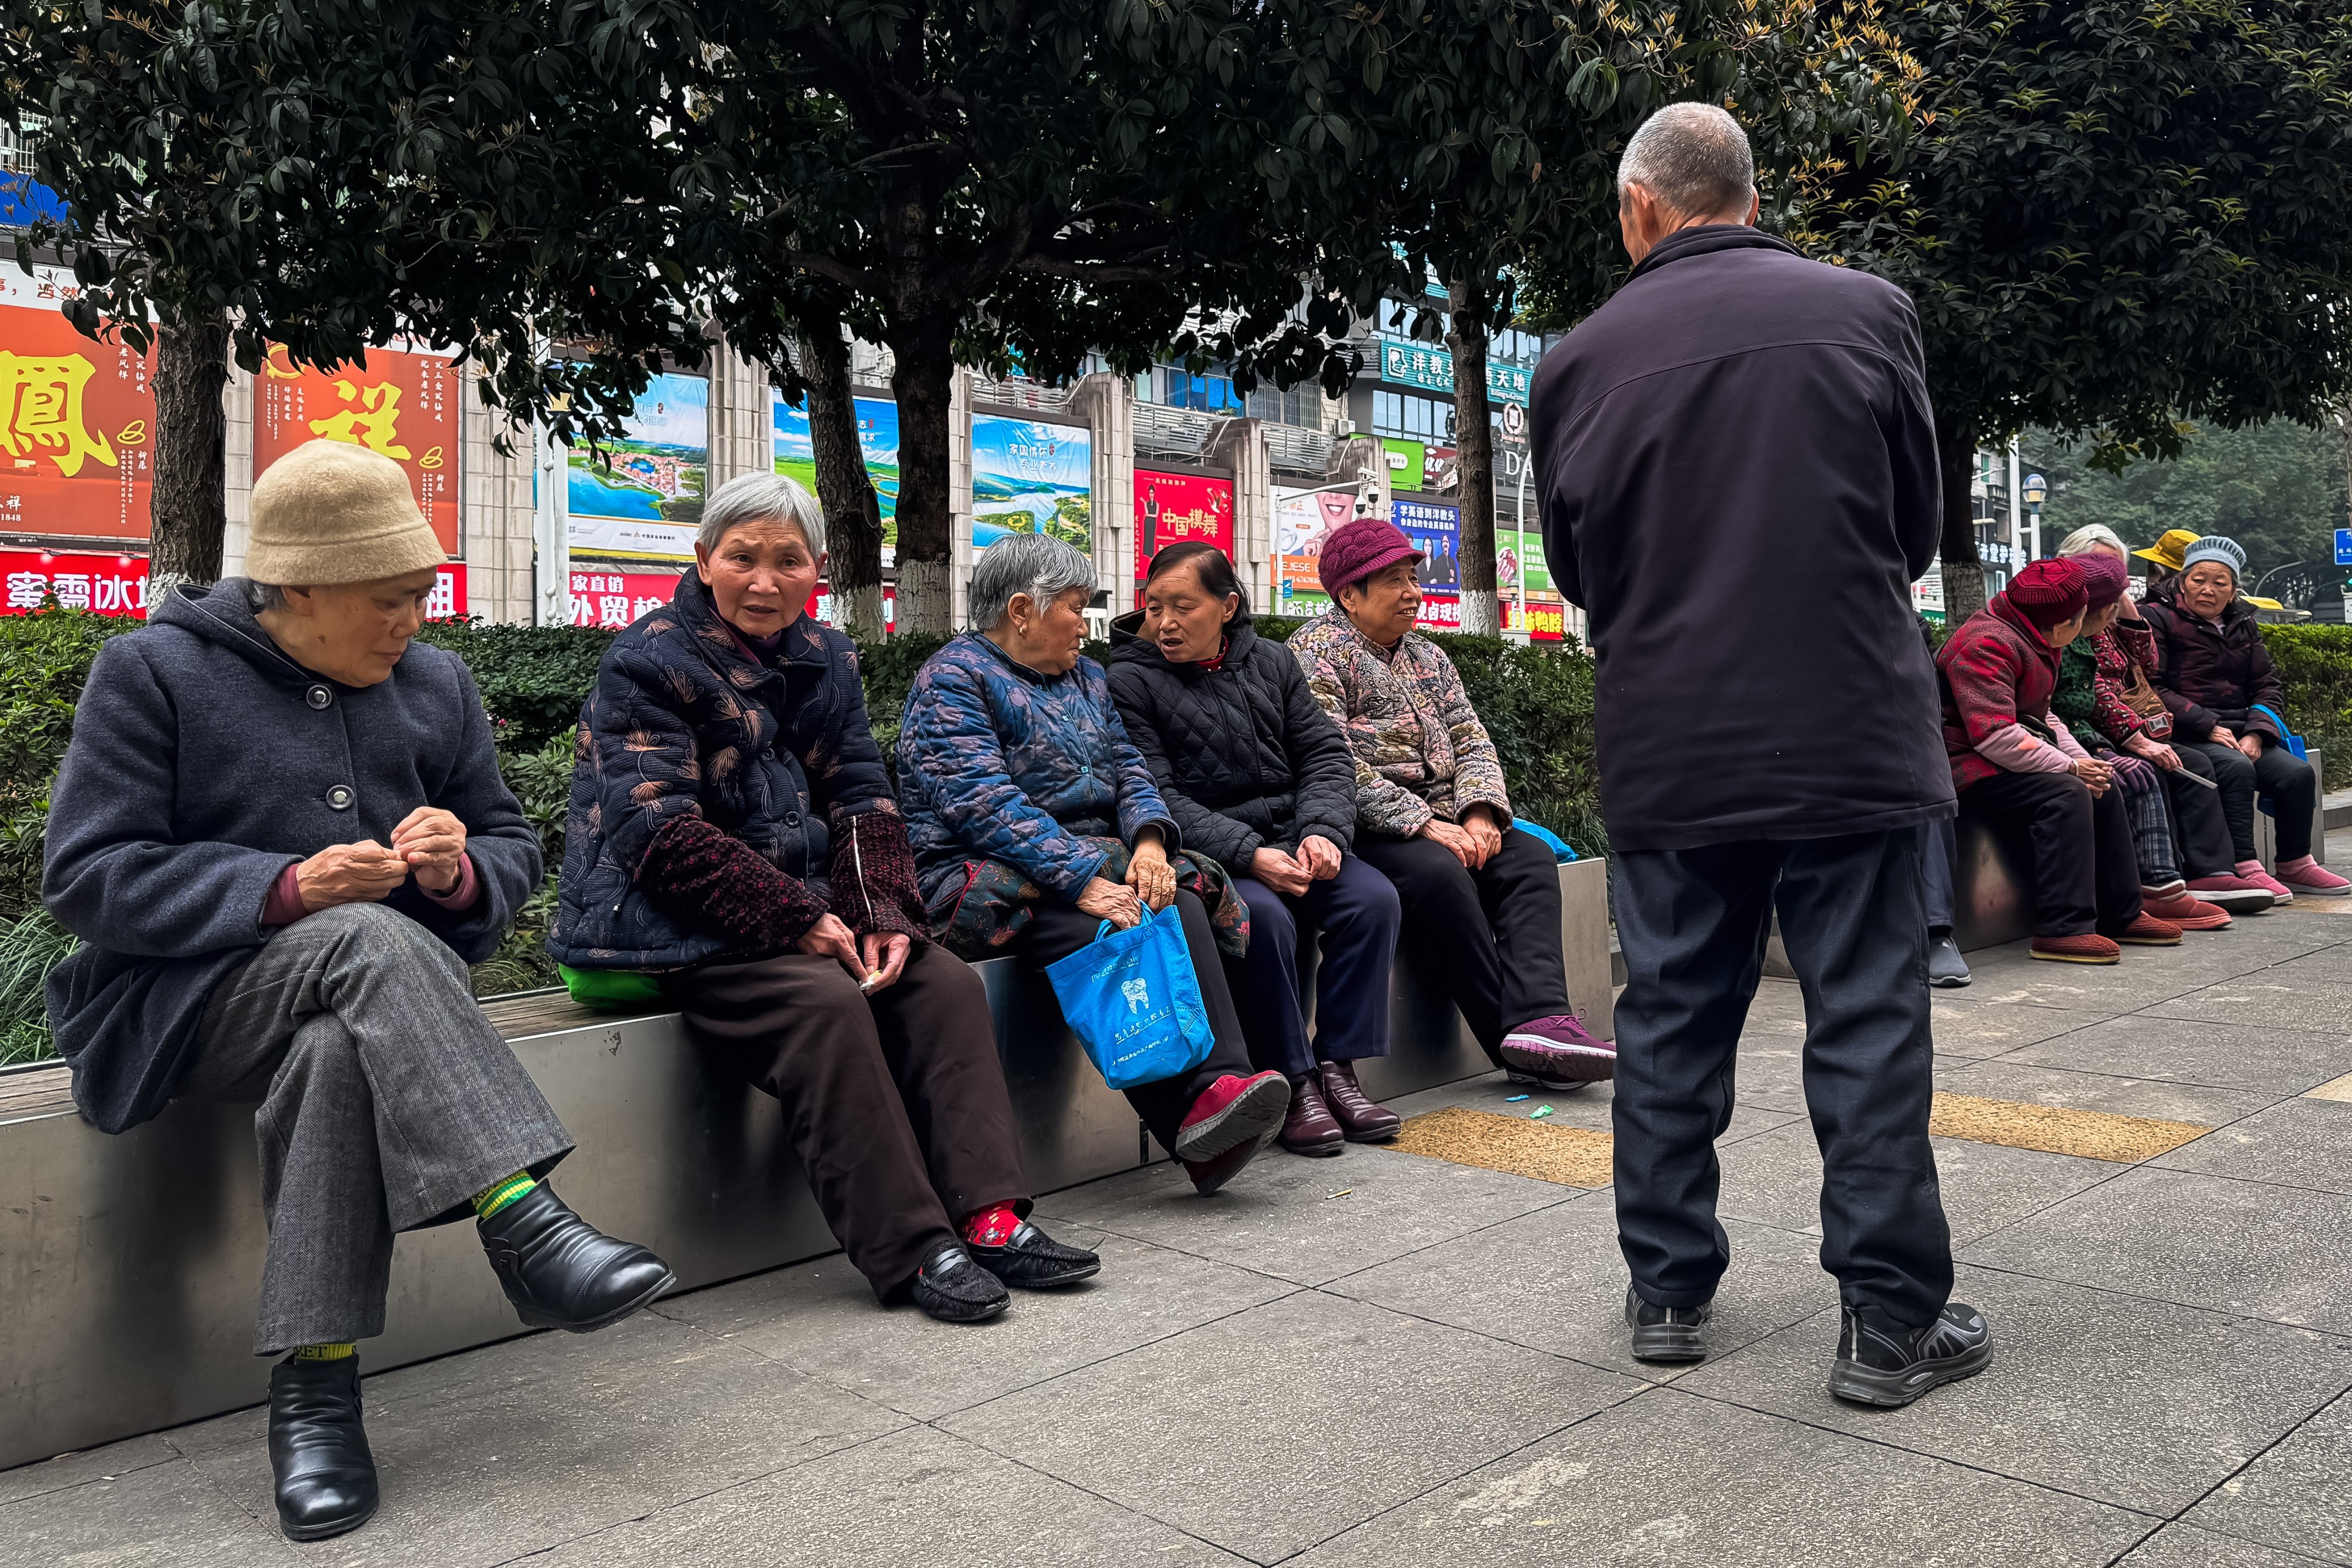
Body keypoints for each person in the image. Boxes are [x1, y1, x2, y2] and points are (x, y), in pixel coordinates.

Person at [42, 440, 672, 1542]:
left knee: (337, 1045)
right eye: (389, 601)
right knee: (364, 938)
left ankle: (316, 1393)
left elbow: (510, 842)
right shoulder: (153, 673)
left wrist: (459, 869)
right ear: (295, 587)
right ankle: (519, 1216)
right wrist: (285, 888)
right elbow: (89, 874)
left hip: (366, 1009)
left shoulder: (436, 684)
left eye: (422, 595)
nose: (413, 623)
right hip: (190, 1009)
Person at [1531, 102, 1984, 1407]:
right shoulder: (1867, 311)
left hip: (1671, 740)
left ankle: (1669, 1292)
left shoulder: (1575, 361)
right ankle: (1888, 1325)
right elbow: (1911, 527)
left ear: (1640, 208)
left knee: (1670, 1017)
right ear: (1749, 196)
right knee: (1869, 1018)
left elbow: (1578, 569)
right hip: (1848, 728)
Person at [553, 474, 1099, 1328]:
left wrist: (883, 915)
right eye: (742, 558)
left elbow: (861, 794)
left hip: (804, 912)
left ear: (819, 568)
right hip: (671, 922)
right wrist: (797, 917)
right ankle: (911, 1246)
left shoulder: (829, 654)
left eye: (788, 561)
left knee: (939, 981)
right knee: (826, 1004)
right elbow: (655, 832)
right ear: (703, 559)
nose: (763, 582)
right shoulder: (646, 659)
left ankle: (990, 1217)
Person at [896, 533, 1292, 1195]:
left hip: (1092, 858)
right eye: (1076, 608)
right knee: (1113, 925)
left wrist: (1149, 844)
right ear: (1022, 611)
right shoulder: (954, 679)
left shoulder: (1088, 677)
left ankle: (1220, 1086)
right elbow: (982, 802)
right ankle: (1193, 1123)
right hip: (984, 871)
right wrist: (1081, 879)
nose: (1087, 625)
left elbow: (1131, 770)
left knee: (1174, 897)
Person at [1287, 516, 1614, 1092]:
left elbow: (1471, 740)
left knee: (1528, 859)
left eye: (1413, 578)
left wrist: (1480, 812)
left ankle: (1543, 1019)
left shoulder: (1429, 657)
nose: (1412, 593)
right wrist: (1423, 825)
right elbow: (1330, 762)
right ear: (1348, 595)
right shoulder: (1314, 654)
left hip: (1449, 814)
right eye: (1393, 581)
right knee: (1440, 875)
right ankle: (1514, 1044)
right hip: (1367, 827)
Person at [1108, 540, 1404, 1156]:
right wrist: (1248, 854)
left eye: (1183, 607)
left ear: (1227, 606)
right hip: (1215, 856)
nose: (1165, 623)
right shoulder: (1129, 681)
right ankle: (1292, 1083)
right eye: (1154, 607)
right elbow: (1156, 793)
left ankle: (1339, 1068)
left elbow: (1325, 754)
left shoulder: (1271, 660)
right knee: (1260, 919)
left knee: (1372, 899)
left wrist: (1322, 831)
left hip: (1296, 837)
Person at [1940, 558, 2187, 960]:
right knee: (2066, 793)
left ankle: (2122, 914)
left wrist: (2081, 761)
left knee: (2102, 782)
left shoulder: (2033, 633)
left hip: (2004, 754)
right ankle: (2063, 927)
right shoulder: (1985, 644)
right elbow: (1994, 735)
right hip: (1966, 765)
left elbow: (2044, 715)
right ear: (2062, 626)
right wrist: (2069, 767)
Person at [2049, 526, 2273, 918]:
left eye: (2116, 573)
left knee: (2244, 767)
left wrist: (2257, 730)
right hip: (2092, 732)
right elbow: (2091, 692)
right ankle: (2160, 886)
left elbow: (2144, 666)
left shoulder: (2109, 614)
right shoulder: (2066, 620)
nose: (2109, 579)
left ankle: (2212, 872)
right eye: (2098, 570)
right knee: (2152, 770)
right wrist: (2137, 737)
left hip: (2127, 727)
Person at [2141, 535, 2348, 899]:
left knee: (2297, 774)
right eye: (2199, 580)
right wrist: (2208, 725)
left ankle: (2295, 863)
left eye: (2220, 583)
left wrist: (2257, 733)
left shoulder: (2243, 624)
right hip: (2187, 732)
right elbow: (2151, 687)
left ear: (2234, 591)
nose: (2208, 590)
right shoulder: (2157, 618)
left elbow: (2267, 685)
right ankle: (2244, 865)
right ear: (2183, 581)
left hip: (2241, 733)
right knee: (2236, 768)